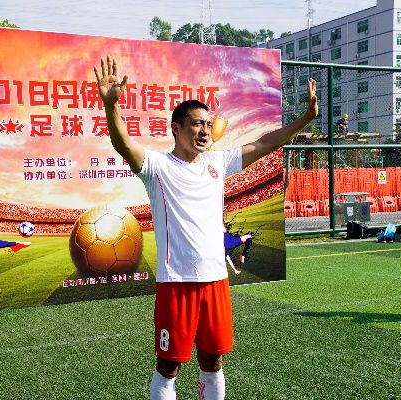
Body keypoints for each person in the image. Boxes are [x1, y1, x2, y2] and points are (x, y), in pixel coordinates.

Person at [94, 56, 317, 400]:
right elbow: (123, 143)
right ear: (176, 128)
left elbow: (265, 143)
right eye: (197, 123)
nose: (204, 131)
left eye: (208, 125)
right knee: (169, 366)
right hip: (177, 282)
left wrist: (305, 119)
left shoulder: (217, 162)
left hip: (215, 280)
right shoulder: (157, 166)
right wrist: (111, 106)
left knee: (213, 362)